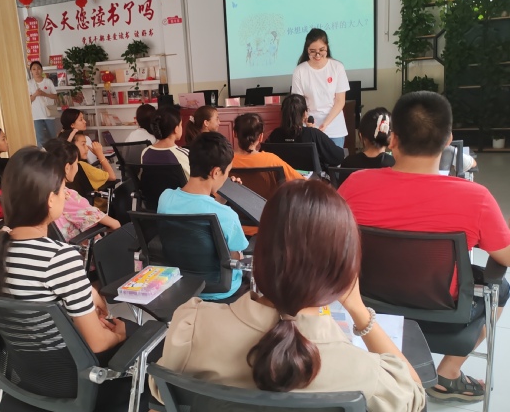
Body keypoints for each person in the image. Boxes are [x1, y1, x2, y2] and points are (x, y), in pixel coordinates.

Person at [152, 180, 426, 412]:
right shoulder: (366, 374)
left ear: (260, 254)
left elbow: (161, 391)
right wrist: (359, 310)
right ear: (344, 270)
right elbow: (415, 397)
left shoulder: (193, 326)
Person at [338, 91, 510, 403]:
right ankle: (448, 373)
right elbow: (505, 257)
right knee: (503, 287)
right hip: (446, 318)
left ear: (393, 139)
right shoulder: (476, 198)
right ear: (448, 141)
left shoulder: (354, 185)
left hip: (369, 313)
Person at [0, 147, 144, 411]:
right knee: (149, 338)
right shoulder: (59, 257)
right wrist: (121, 334)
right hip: (70, 378)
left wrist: (87, 293)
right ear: (50, 199)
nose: (66, 195)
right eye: (63, 189)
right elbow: (98, 343)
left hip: (21, 369)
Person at [158, 132, 248, 301]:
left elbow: (195, 214)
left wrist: (219, 201)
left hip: (181, 284)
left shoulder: (165, 198)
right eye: (227, 172)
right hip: (220, 289)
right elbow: (236, 258)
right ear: (216, 172)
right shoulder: (227, 216)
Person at [43, 138, 120, 240]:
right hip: (81, 248)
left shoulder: (40, 192)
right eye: (76, 163)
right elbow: (115, 224)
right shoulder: (68, 196)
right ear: (67, 168)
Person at [291, 28, 349, 148]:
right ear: (307, 50)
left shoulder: (337, 67)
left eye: (321, 50)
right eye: (313, 51)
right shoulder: (300, 71)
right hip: (309, 129)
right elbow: (298, 103)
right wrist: (306, 120)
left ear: (327, 47)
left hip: (334, 129)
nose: (317, 55)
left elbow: (340, 101)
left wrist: (325, 124)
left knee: (334, 160)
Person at [265, 94, 344, 169]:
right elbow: (338, 157)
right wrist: (313, 133)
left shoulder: (275, 134)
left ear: (282, 113)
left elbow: (264, 156)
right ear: (305, 114)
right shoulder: (314, 134)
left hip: (282, 178)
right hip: (311, 178)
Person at [232, 113, 303, 182]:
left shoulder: (226, 161)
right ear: (260, 137)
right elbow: (303, 183)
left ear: (234, 134)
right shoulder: (273, 161)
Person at [141, 106, 190, 178]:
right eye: (181, 125)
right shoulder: (184, 154)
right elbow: (191, 180)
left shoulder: (145, 152)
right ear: (176, 129)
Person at [28, 60, 58, 147]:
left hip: (49, 113)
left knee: (52, 137)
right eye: (34, 69)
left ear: (42, 70)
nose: (36, 71)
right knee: (40, 138)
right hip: (36, 115)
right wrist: (35, 94)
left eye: (38, 68)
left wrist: (45, 94)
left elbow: (55, 96)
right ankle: (41, 154)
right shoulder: (29, 83)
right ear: (31, 71)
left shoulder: (48, 81)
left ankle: (54, 152)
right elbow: (28, 100)